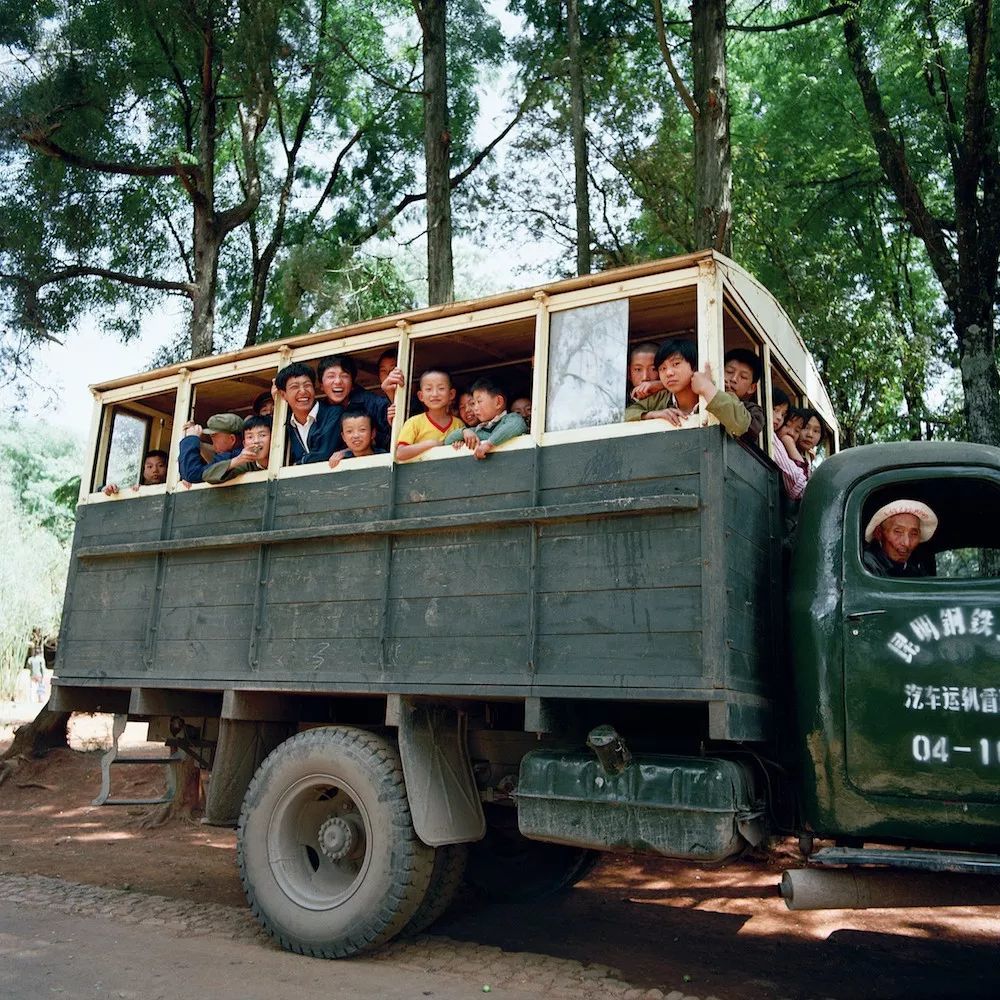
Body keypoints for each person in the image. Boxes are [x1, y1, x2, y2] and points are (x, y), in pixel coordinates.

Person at [317, 354, 403, 451]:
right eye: (331, 376)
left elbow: (397, 438)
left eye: (344, 375)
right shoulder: (318, 412)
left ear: (352, 383)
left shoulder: (372, 403)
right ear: (321, 385)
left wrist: (349, 450)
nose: (338, 381)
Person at [274, 362, 342, 465]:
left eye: (307, 385)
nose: (302, 391)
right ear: (283, 395)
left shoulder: (334, 413)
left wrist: (298, 463)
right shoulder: (286, 426)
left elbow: (323, 454)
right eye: (295, 387)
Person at [444, 376, 527, 460]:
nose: (475, 408)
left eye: (479, 402)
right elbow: (448, 440)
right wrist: (464, 432)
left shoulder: (512, 418)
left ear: (498, 402)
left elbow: (516, 425)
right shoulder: (478, 430)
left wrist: (489, 444)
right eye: (474, 403)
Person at [623, 338, 701, 426]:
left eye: (676, 364)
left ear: (694, 367)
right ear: (628, 373)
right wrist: (652, 414)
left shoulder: (706, 392)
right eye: (663, 368)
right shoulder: (658, 399)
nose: (668, 373)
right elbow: (622, 415)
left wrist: (707, 390)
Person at [396, 370, 465, 462]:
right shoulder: (414, 422)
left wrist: (460, 444)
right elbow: (401, 453)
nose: (435, 394)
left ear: (451, 394)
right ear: (421, 396)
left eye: (441, 388)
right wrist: (430, 444)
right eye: (429, 389)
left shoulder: (458, 424)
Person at [862, 499, 938, 577]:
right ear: (879, 533)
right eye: (898, 531)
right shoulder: (865, 567)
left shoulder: (915, 571)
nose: (907, 543)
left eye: (914, 534)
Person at [203, 416, 272, 483]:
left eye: (262, 435)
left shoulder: (281, 460)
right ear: (244, 444)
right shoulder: (247, 464)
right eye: (250, 437)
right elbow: (207, 476)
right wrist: (237, 460)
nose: (256, 441)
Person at [178, 415, 243, 484]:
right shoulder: (234, 453)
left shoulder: (230, 456)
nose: (212, 440)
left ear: (232, 439)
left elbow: (191, 474)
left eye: (213, 436)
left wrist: (191, 438)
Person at [769, 388, 807, 501]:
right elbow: (797, 484)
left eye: (783, 414)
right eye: (775, 409)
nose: (779, 417)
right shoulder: (771, 437)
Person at [102, 449, 168, 495]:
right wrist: (110, 488)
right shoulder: (135, 487)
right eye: (150, 466)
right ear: (143, 470)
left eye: (160, 465)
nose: (155, 470)